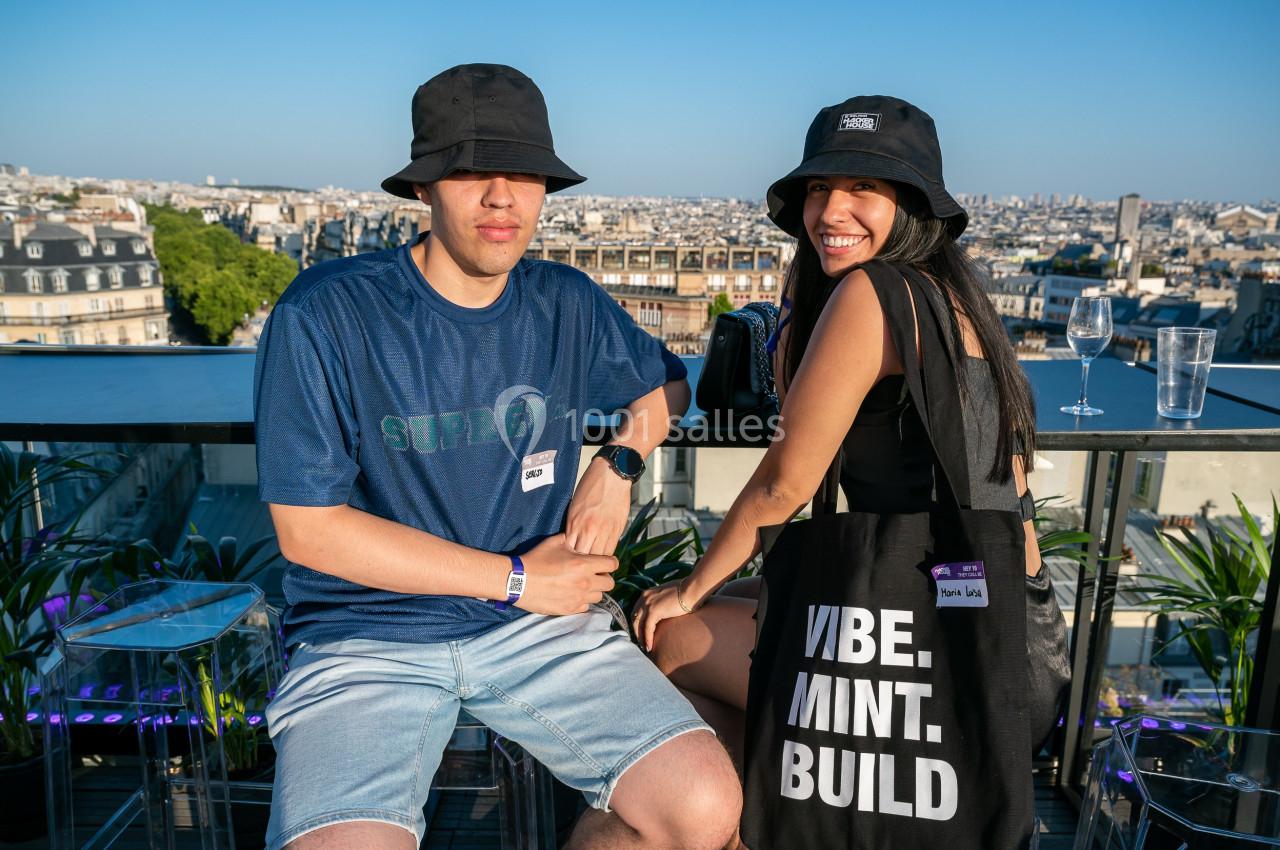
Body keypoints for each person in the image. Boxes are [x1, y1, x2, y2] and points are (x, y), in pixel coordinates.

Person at [254, 64, 741, 850]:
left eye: (524, 174)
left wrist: (615, 468)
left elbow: (666, 386)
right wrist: (516, 579)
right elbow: (308, 531)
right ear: (423, 188)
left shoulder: (565, 302)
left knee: (703, 805)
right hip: (366, 632)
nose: (502, 197)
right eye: (471, 173)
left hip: (535, 622)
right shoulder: (327, 313)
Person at [633, 95, 1070, 771]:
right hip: (1007, 634)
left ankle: (753, 811)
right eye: (818, 188)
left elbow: (784, 485)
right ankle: (781, 808)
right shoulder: (953, 295)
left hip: (952, 667)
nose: (831, 210)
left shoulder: (874, 295)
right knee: (742, 600)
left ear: (911, 204)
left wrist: (686, 590)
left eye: (863, 186)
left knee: (670, 634)